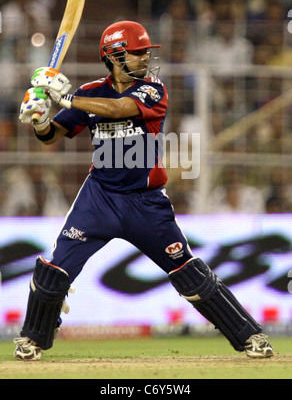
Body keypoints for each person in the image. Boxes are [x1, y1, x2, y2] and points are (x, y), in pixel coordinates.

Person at [15, 20, 273, 360]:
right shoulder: (92, 92)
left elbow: (120, 109)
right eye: (139, 53)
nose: (146, 59)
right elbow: (51, 137)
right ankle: (32, 339)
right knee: (54, 270)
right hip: (99, 198)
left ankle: (250, 336)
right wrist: (40, 117)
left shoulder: (153, 89)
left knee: (189, 273)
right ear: (115, 56)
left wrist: (65, 97)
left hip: (146, 202)